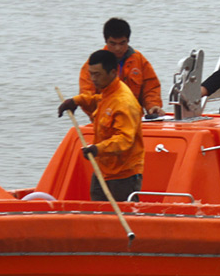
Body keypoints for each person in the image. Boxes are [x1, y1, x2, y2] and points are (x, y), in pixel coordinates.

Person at [59, 49, 144, 202]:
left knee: (120, 217)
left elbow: (125, 140)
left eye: (97, 74)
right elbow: (99, 101)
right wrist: (76, 101)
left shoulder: (124, 102)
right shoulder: (108, 93)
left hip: (123, 175)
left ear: (112, 72)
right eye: (91, 74)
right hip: (103, 170)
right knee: (98, 211)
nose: (93, 79)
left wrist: (98, 149)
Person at [79, 17, 165, 117]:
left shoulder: (139, 60)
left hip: (134, 120)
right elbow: (87, 97)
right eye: (113, 43)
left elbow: (151, 88)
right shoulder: (93, 64)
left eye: (122, 43)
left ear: (128, 40)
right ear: (106, 41)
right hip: (105, 121)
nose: (118, 48)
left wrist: (153, 106)